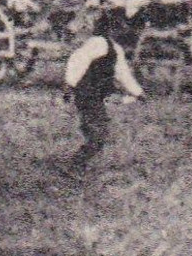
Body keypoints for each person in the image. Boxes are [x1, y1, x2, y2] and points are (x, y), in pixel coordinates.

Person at [62, 15, 145, 171]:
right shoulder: (98, 44)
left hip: (94, 95)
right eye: (118, 28)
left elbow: (122, 74)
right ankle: (75, 165)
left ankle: (80, 162)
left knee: (99, 130)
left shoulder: (114, 48)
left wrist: (137, 92)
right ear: (110, 29)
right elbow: (77, 60)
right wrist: (70, 84)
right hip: (87, 94)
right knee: (98, 133)